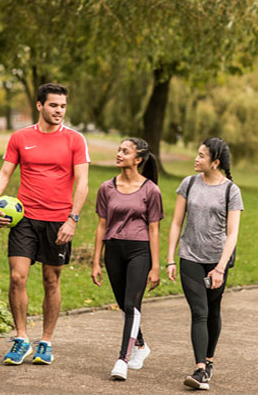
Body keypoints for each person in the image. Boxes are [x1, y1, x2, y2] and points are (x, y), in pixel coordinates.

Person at [0, 83, 89, 365]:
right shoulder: (20, 137)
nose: (59, 111)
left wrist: (73, 220)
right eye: (54, 105)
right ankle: (20, 338)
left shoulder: (75, 140)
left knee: (51, 280)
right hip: (24, 219)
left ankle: (46, 342)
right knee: (17, 277)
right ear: (40, 105)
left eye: (63, 106)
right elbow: (5, 173)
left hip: (58, 221)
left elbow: (83, 183)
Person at [166, 137, 243, 390]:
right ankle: (200, 370)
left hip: (217, 260)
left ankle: (209, 361)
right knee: (199, 311)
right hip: (189, 256)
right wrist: (170, 259)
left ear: (216, 162)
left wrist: (220, 267)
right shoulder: (188, 184)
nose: (196, 159)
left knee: (213, 310)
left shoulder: (231, 190)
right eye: (197, 154)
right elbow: (176, 223)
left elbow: (232, 234)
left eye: (201, 155)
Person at [91, 138, 163, 381]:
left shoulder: (151, 190)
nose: (119, 153)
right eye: (119, 149)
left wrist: (155, 266)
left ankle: (122, 358)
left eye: (125, 151)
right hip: (113, 250)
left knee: (131, 305)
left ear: (138, 159)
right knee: (124, 305)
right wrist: (95, 261)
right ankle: (141, 345)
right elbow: (101, 226)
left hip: (139, 251)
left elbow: (154, 230)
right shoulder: (106, 188)